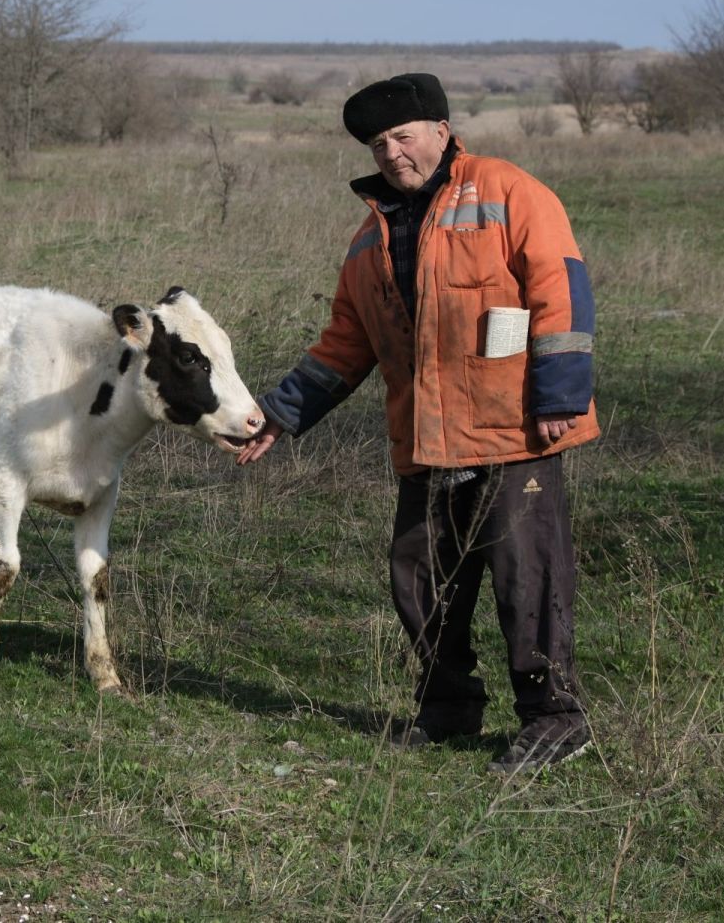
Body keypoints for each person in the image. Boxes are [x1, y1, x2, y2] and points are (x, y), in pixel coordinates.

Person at [236, 73, 599, 775]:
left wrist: (559, 396)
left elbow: (561, 286)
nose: (392, 152)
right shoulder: (366, 242)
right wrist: (281, 414)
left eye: (402, 135)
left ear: (441, 128)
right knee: (421, 580)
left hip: (512, 429)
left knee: (528, 577)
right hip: (426, 440)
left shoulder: (508, 192)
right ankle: (448, 709)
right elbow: (346, 342)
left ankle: (555, 718)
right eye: (378, 143)